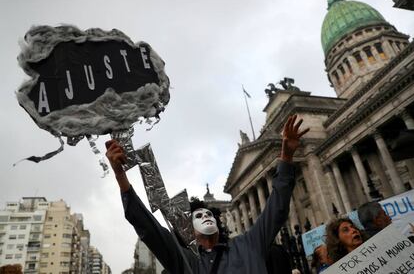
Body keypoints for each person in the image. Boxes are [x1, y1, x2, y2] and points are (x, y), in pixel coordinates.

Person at [105, 115, 309, 274]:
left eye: (208, 214)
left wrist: (286, 158)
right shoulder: (187, 261)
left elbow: (277, 208)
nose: (206, 217)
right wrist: (120, 176)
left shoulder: (249, 243)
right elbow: (150, 229)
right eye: (199, 216)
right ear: (190, 230)